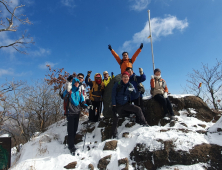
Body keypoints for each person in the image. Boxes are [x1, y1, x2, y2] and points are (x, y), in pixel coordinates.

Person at [112, 71, 149, 138]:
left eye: (127, 77)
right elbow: (113, 95)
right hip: (118, 105)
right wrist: (114, 106)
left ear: (129, 78)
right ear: (122, 77)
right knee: (115, 118)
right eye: (124, 77)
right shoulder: (117, 84)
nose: (125, 78)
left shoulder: (130, 85)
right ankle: (114, 134)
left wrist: (139, 91)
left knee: (138, 109)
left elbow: (135, 96)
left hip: (126, 104)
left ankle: (144, 123)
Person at [63, 78, 88, 155]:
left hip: (77, 113)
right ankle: (71, 146)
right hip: (70, 113)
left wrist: (85, 105)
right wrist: (67, 83)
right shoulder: (69, 91)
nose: (77, 84)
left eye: (78, 83)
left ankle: (72, 143)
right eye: (75, 83)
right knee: (70, 130)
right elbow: (63, 95)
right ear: (73, 83)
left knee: (75, 129)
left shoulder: (79, 92)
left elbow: (81, 101)